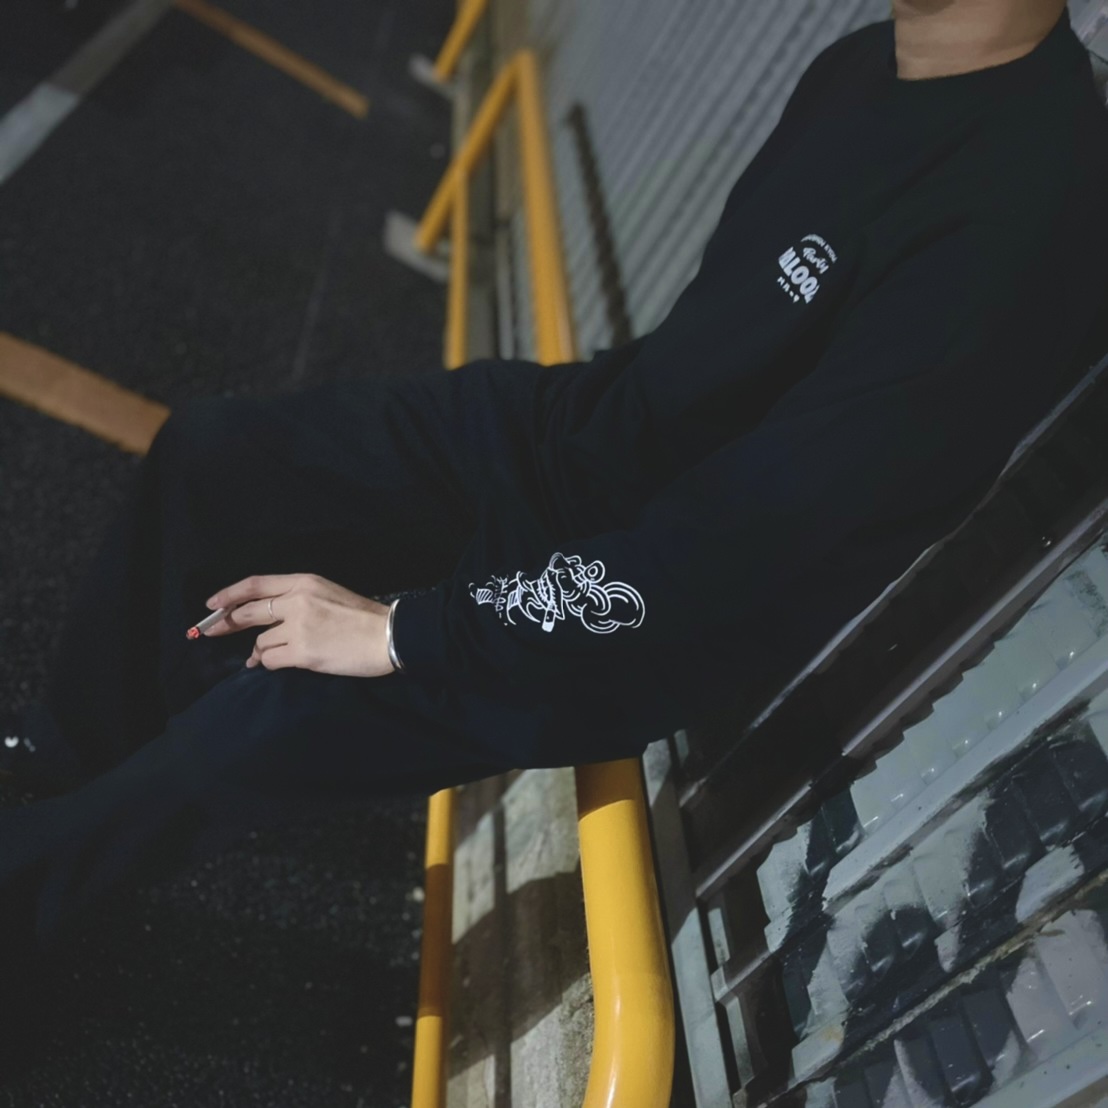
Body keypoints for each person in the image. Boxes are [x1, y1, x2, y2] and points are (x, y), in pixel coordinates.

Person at [1, 0, 1106, 1067]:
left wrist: (409, 630)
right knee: (215, 455)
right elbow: (704, 364)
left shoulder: (1031, 208)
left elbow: (747, 548)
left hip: (646, 610)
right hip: (577, 440)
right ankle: (63, 769)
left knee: (271, 708)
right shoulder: (862, 61)